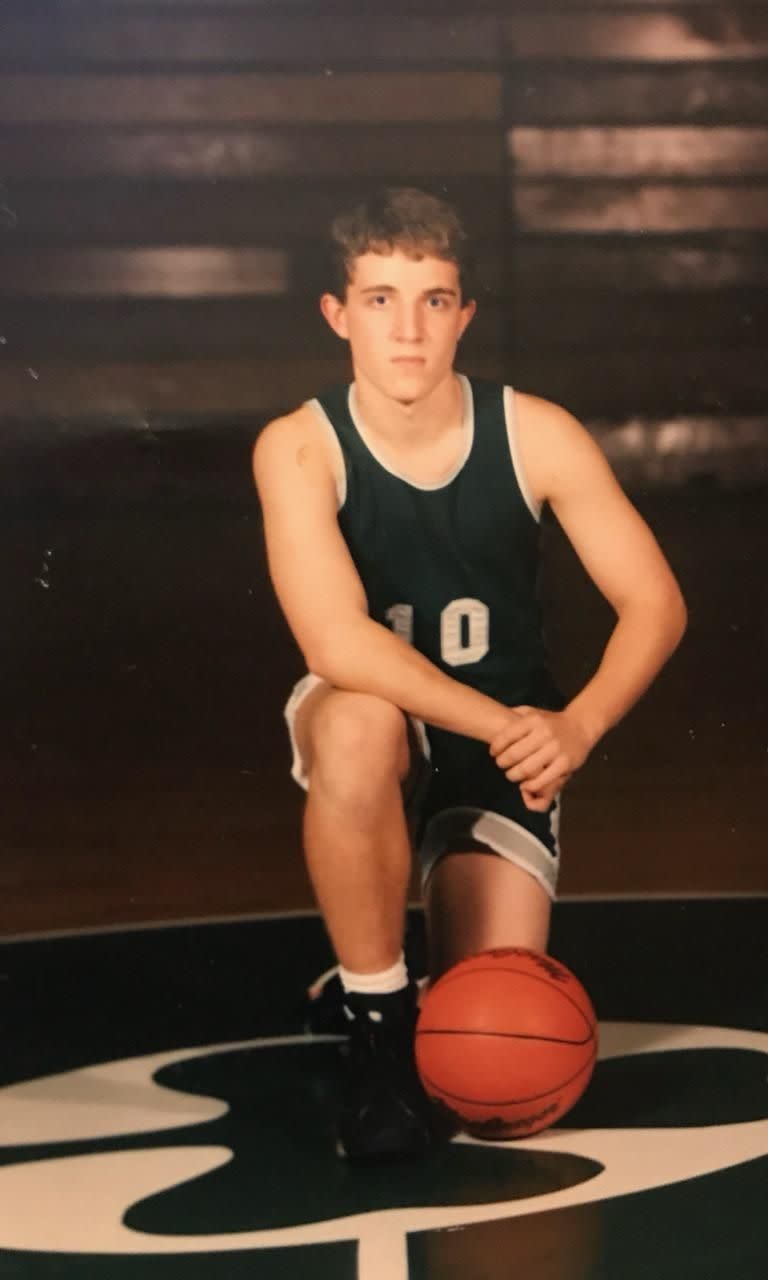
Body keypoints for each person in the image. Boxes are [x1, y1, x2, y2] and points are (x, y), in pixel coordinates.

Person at [252, 187, 687, 1161]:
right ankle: (373, 1022)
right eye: (379, 299)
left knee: (489, 1026)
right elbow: (336, 643)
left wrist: (578, 723)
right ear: (336, 313)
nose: (408, 328)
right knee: (362, 718)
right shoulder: (298, 444)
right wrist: (501, 719)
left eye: (434, 299)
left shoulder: (536, 431)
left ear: (465, 314)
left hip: (510, 744)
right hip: (390, 721)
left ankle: (386, 974)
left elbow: (656, 604)